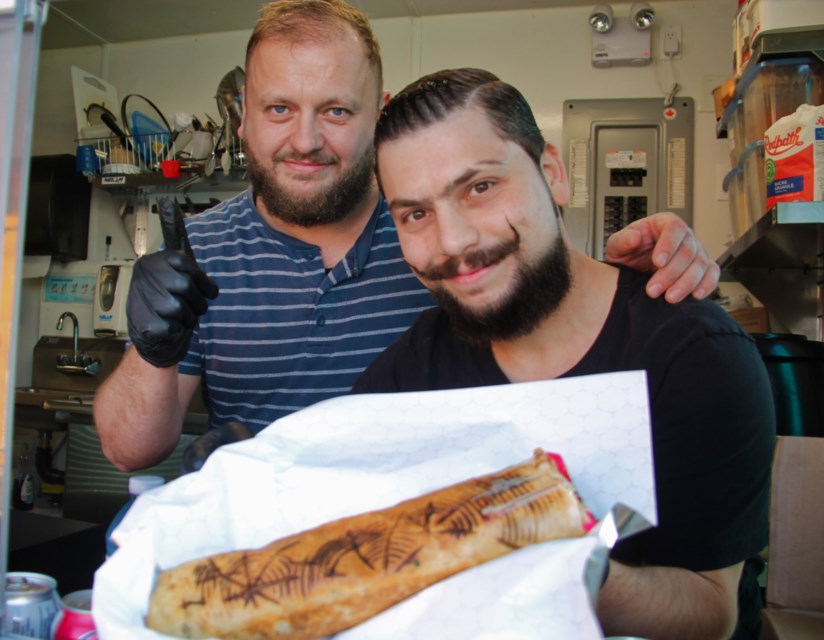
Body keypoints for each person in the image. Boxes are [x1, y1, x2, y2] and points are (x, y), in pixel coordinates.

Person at [94, 0, 720, 474]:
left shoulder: (438, 241)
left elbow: (547, 296)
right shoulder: (198, 248)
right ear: (245, 117)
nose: (306, 139)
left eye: (337, 110)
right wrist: (154, 349)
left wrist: (639, 270)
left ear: (379, 112)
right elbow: (129, 452)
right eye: (279, 108)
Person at [351, 68, 776, 640]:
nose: (453, 243)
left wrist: (553, 563)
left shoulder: (696, 357)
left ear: (552, 173)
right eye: (415, 215)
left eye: (479, 187)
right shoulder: (408, 379)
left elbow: (712, 613)